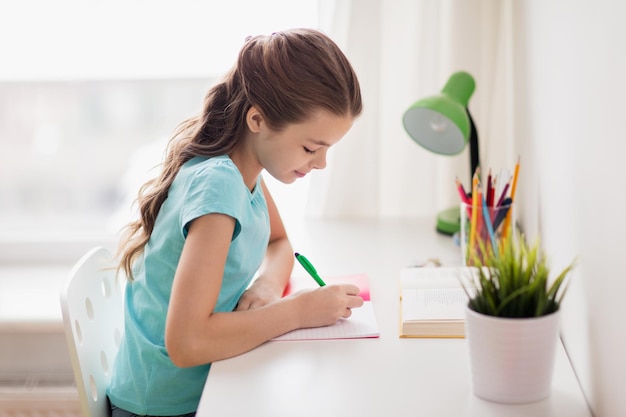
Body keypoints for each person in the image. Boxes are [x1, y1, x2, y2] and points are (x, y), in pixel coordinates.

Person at [106, 28, 364, 417]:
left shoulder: (245, 170)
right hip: (165, 403)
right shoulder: (220, 186)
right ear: (258, 119)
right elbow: (186, 342)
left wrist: (265, 286)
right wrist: (298, 312)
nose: (321, 163)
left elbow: (279, 244)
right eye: (311, 147)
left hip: (208, 382)